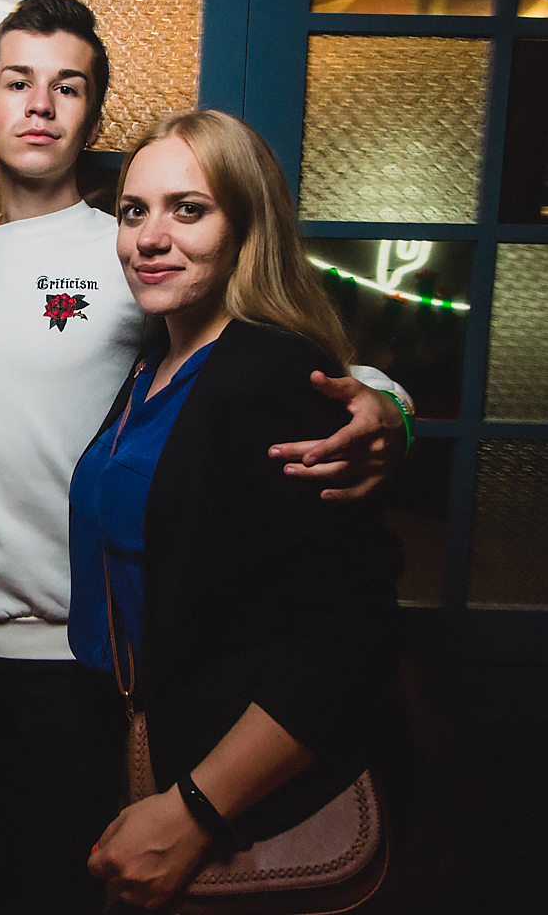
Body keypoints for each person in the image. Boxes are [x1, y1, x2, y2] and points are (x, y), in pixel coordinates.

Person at [0, 0, 414, 915]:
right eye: (16, 83)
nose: (39, 104)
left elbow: (283, 352)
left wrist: (388, 408)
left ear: (93, 116)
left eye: (67, 87)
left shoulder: (134, 257)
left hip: (79, 654)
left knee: (72, 882)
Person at [73, 109, 402, 909]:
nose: (151, 237)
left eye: (189, 209)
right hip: (146, 736)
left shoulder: (271, 375)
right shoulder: (159, 358)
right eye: (134, 211)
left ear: (245, 228)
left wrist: (196, 810)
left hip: (225, 785)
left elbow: (344, 637)